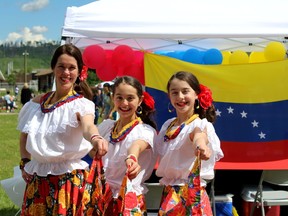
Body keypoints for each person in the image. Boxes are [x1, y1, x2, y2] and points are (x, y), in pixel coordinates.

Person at [17, 44, 108, 215]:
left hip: (68, 181)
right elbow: (24, 136)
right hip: (37, 179)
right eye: (61, 67)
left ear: (79, 71)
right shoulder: (36, 104)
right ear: (53, 68)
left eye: (71, 68)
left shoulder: (81, 104)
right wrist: (24, 163)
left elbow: (89, 126)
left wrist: (96, 138)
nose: (66, 73)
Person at [155, 71, 224, 215]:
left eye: (185, 91)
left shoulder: (200, 124)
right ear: (169, 96)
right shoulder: (168, 125)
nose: (180, 97)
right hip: (169, 193)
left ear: (196, 94)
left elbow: (199, 136)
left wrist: (201, 147)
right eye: (174, 92)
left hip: (191, 194)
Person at [96, 75, 158, 215]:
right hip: (101, 198)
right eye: (119, 98)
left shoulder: (145, 131)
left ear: (140, 100)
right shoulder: (106, 127)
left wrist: (132, 158)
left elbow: (136, 146)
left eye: (130, 98)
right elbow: (93, 152)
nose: (124, 103)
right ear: (113, 98)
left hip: (128, 200)